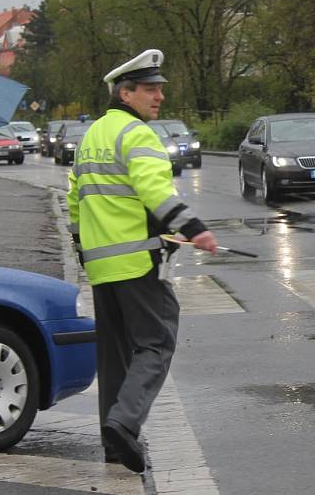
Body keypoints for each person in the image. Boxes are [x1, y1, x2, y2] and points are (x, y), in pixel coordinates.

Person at [66, 49, 217, 473]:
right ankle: (125, 422)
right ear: (125, 93)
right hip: (135, 264)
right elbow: (156, 193)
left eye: (160, 89)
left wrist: (84, 249)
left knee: (114, 357)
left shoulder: (93, 134)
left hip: (99, 266)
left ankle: (114, 444)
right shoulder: (138, 135)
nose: (159, 97)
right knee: (156, 342)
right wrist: (194, 229)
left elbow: (75, 201)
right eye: (150, 89)